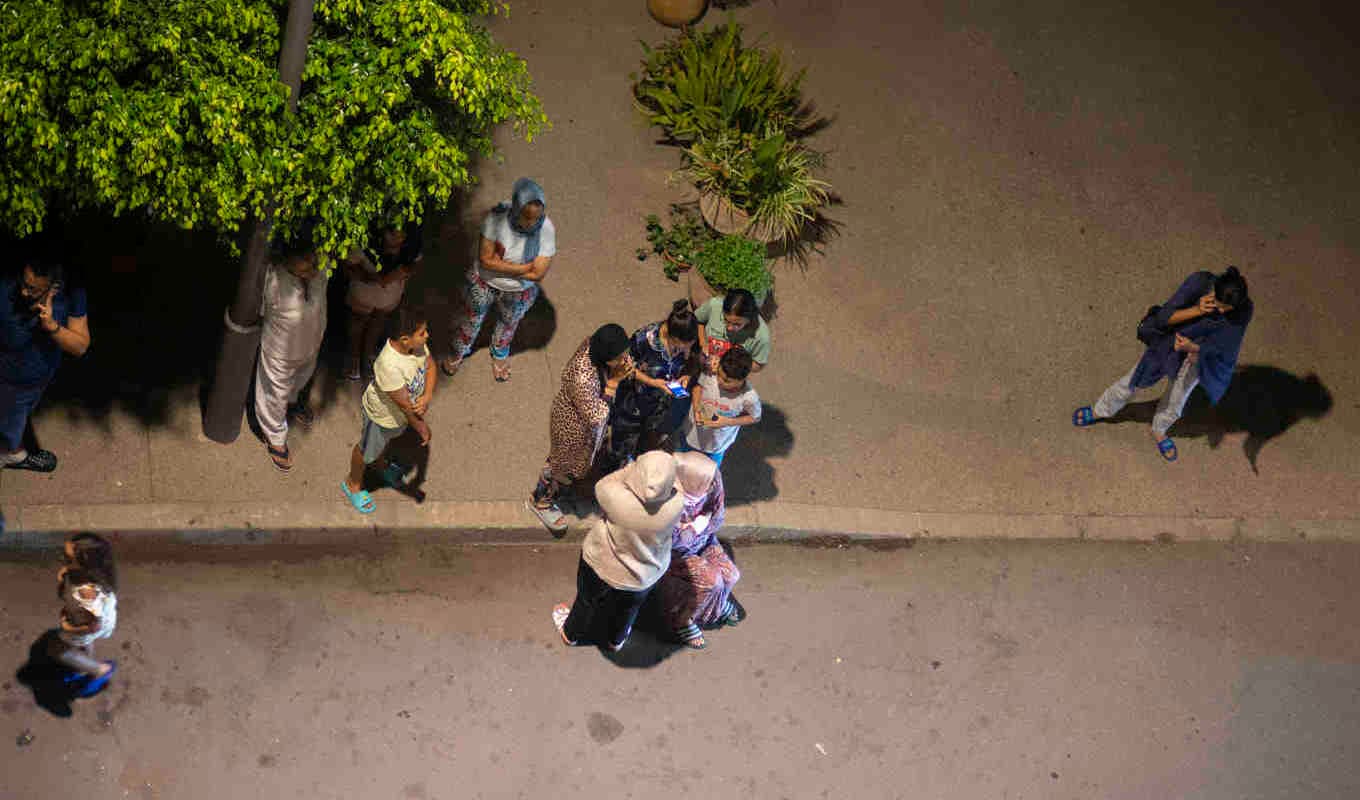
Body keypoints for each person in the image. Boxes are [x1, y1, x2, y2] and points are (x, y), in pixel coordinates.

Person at [1073, 266, 1253, 462]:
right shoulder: (1200, 283)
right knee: (1133, 381)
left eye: (1226, 310)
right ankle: (1101, 410)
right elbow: (1163, 318)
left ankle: (1159, 429)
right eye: (1218, 305)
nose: (1220, 311)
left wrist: (1196, 349)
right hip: (1169, 346)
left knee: (1177, 399)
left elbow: (1227, 348)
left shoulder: (1242, 312)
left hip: (1197, 357)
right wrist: (1197, 310)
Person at [551, 451, 686, 651]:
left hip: (601, 564)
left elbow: (603, 484)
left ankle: (571, 634)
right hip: (644, 576)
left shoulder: (617, 498)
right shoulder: (677, 503)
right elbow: (675, 484)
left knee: (586, 599)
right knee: (628, 609)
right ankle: (616, 640)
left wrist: (631, 468)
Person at [442, 178, 556, 383]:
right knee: (471, 319)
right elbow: (486, 260)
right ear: (516, 208)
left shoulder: (546, 229)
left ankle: (500, 352)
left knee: (509, 323)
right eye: (526, 218)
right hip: (484, 283)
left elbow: (538, 273)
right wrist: (523, 268)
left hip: (519, 291)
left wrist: (501, 266)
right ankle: (459, 350)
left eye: (536, 218)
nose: (532, 224)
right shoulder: (496, 220)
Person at [528, 324, 635, 534]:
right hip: (572, 429)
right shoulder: (582, 376)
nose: (625, 359)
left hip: (585, 424)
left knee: (577, 465)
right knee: (559, 466)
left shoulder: (593, 347)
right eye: (620, 356)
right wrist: (613, 383)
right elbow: (597, 417)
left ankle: (564, 488)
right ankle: (540, 500)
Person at [342, 307, 436, 514]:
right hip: (381, 419)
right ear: (404, 339)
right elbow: (403, 405)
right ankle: (352, 484)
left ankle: (380, 464)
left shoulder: (416, 348)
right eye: (422, 333)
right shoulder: (389, 366)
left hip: (399, 419)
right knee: (365, 451)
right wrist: (421, 427)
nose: (427, 336)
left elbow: (430, 366)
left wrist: (427, 395)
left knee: (381, 445)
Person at [1, 258, 90, 473]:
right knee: (10, 426)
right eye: (23, 283)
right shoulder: (4, 288)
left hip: (39, 377)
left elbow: (80, 346)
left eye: (32, 289)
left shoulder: (71, 292)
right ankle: (12, 455)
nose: (22, 292)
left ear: (54, 286)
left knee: (16, 417)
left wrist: (52, 326)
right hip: (9, 383)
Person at [599, 300, 700, 472]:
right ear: (671, 335)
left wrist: (687, 375)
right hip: (633, 402)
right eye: (682, 345)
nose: (685, 349)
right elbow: (623, 366)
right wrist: (652, 382)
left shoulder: (688, 336)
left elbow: (694, 360)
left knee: (647, 436)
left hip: (660, 402)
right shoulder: (644, 339)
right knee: (621, 442)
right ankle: (612, 471)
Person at [657, 452, 743, 649]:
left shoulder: (712, 479)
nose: (710, 487)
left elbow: (718, 515)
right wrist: (696, 527)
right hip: (675, 556)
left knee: (731, 575)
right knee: (712, 582)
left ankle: (713, 610)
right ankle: (682, 621)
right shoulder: (666, 496)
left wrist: (696, 529)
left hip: (703, 540)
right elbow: (672, 541)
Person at [254, 245, 327, 472]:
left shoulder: (321, 266)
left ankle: (293, 402)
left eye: (315, 261)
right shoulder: (273, 279)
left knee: (300, 380)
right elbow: (258, 310)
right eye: (306, 264)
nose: (314, 268)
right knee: (273, 395)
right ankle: (275, 437)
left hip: (310, 345)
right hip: (280, 353)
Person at [342, 222, 423, 381]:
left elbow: (415, 264)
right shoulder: (365, 245)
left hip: (389, 297)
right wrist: (372, 278)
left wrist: (402, 273)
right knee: (358, 322)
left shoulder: (411, 248)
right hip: (363, 294)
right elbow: (347, 265)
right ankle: (354, 358)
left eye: (402, 234)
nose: (397, 238)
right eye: (392, 233)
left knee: (378, 321)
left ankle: (367, 356)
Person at [49, 533, 118, 697]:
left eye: (68, 557)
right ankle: (83, 666)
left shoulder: (86, 591)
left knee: (58, 650)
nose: (63, 558)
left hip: (84, 625)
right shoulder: (89, 575)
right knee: (85, 644)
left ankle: (100, 670)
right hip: (92, 618)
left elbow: (95, 625)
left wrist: (69, 626)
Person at [677, 346, 762, 466]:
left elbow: (755, 417)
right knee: (680, 465)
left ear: (743, 379)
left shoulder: (749, 397)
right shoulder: (710, 373)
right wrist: (696, 407)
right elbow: (698, 387)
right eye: (719, 375)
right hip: (691, 434)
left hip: (716, 445)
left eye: (727, 381)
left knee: (707, 476)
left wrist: (726, 422)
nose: (720, 381)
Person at [692, 288, 770, 374]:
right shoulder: (714, 305)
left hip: (728, 377)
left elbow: (758, 365)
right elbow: (698, 321)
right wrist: (703, 343)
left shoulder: (762, 336)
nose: (729, 328)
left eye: (737, 324)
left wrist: (733, 364)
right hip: (699, 363)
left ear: (749, 319)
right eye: (726, 320)